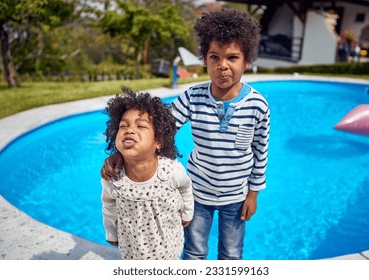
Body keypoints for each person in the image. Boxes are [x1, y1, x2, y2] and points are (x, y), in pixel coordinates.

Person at [101, 9, 270, 260]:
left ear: (246, 60)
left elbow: (260, 152)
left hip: (236, 195)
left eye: (232, 57)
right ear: (204, 59)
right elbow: (161, 129)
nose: (222, 66)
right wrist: (121, 153)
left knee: (232, 254)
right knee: (194, 252)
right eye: (214, 57)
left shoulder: (258, 105)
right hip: (198, 192)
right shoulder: (193, 96)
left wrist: (253, 194)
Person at [101, 87, 194, 260]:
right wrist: (111, 232)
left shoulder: (171, 171)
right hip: (132, 247)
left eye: (141, 126)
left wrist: (188, 212)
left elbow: (185, 189)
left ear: (158, 141)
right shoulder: (113, 177)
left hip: (168, 245)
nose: (129, 130)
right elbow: (108, 205)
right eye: (123, 126)